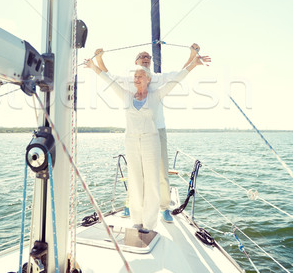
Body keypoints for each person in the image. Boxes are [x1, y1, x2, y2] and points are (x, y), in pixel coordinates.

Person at [85, 54, 206, 233]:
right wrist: (93, 66)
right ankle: (137, 220)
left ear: (148, 79)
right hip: (131, 141)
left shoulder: (156, 95)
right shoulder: (126, 96)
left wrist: (193, 65)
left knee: (151, 182)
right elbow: (109, 81)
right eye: (135, 76)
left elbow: (176, 79)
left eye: (140, 76)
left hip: (151, 140)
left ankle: (149, 224)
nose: (136, 78)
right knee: (135, 181)